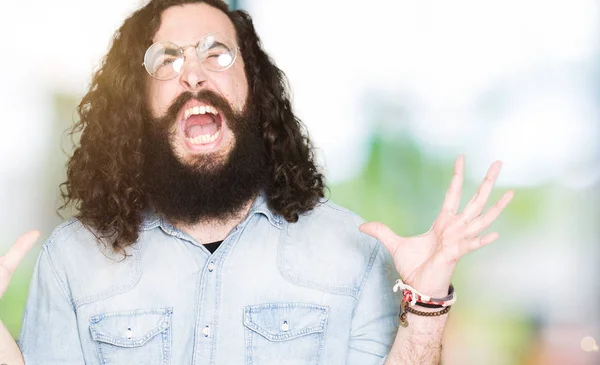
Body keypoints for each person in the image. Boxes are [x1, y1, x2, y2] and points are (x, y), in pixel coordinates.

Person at [0, 0, 514, 364]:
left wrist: (425, 305)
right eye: (166, 59)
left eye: (215, 53)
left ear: (254, 87)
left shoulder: (350, 252)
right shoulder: (71, 261)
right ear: (136, 103)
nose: (193, 74)